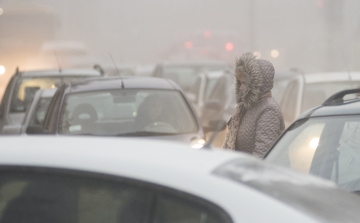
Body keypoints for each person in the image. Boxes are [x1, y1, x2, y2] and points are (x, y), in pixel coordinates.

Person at [222, 52, 285, 158]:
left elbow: (262, 154)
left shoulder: (268, 110)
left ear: (256, 84)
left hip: (258, 173)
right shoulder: (246, 108)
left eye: (244, 83)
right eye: (240, 83)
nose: (241, 87)